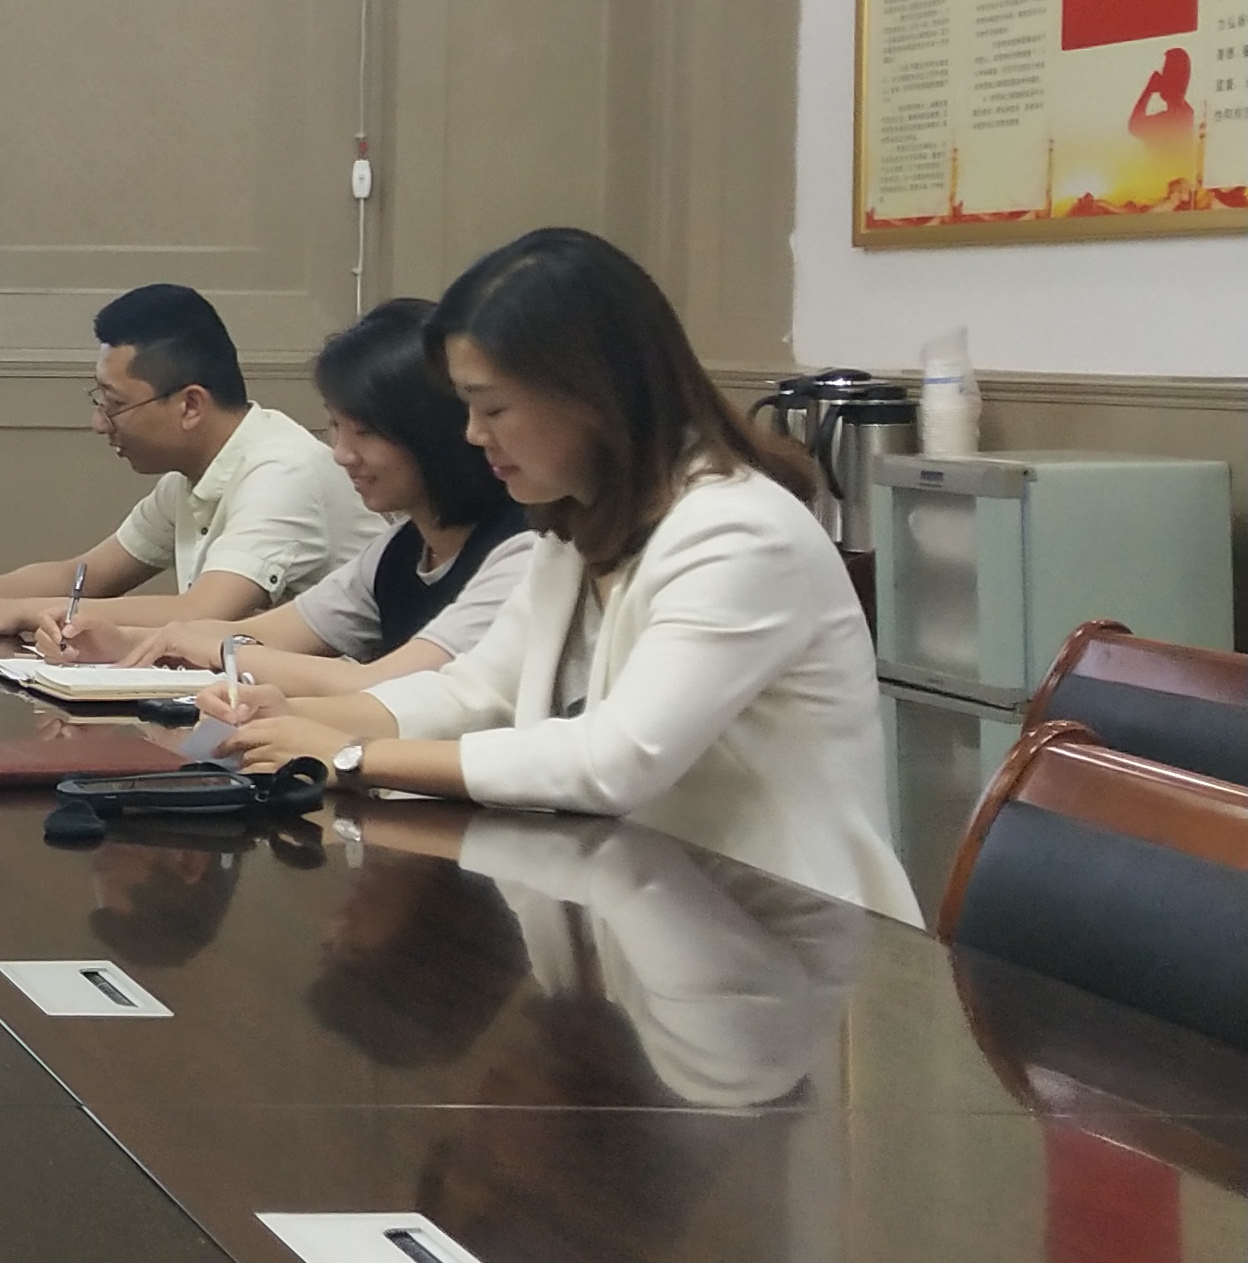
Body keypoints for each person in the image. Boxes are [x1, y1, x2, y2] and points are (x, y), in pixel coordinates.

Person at [215, 227, 917, 924]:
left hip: (789, 929)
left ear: (590, 394)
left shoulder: (737, 532)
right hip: (657, 908)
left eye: (493, 408)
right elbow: (475, 691)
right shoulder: (577, 526)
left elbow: (616, 759)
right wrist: (287, 721)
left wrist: (352, 755)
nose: (472, 434)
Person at [82, 298, 533, 698]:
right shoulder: (398, 549)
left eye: (365, 432)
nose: (342, 454)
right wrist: (124, 642)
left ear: (433, 431)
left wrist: (218, 651)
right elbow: (267, 633)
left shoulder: (522, 550)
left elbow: (387, 686)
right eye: (336, 426)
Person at [0, 283, 372, 637]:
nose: (99, 423)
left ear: (190, 405)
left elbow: (204, 612)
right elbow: (86, 575)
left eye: (114, 404)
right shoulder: (196, 474)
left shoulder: (282, 471)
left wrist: (18, 613)